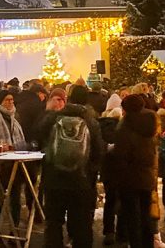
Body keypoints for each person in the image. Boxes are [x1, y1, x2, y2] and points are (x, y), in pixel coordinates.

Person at [36, 85, 104, 248]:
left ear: (69, 98)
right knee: (81, 223)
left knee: (53, 223)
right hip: (80, 181)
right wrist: (90, 171)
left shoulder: (53, 118)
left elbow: (38, 138)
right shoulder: (90, 121)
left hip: (54, 180)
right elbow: (98, 151)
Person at [113, 95, 159, 248]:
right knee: (146, 216)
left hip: (128, 178)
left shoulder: (124, 127)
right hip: (146, 175)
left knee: (132, 217)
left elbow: (121, 155)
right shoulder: (150, 122)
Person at [0, 90, 26, 234]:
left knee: (15, 199)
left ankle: (15, 231)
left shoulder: (16, 115)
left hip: (16, 163)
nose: (10, 103)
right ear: (0, 101)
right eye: (7, 100)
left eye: (12, 100)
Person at [98, 98, 123, 245]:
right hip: (121, 169)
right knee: (121, 201)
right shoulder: (121, 127)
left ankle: (108, 231)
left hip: (107, 169)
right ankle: (121, 232)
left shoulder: (100, 125)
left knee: (110, 201)